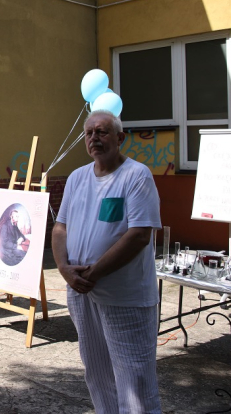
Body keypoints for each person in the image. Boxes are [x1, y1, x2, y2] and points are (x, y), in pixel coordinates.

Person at [52, 110, 162, 413]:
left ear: (120, 138)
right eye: (89, 133)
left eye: (101, 132)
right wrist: (64, 269)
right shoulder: (77, 178)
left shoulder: (136, 176)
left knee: (134, 378)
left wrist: (94, 273)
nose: (94, 138)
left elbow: (139, 235)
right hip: (82, 294)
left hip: (124, 298)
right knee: (98, 373)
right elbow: (60, 228)